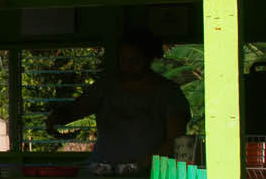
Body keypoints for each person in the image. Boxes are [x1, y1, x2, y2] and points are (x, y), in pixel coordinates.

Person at [49, 30, 191, 171]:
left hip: (148, 176)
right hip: (102, 171)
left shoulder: (169, 94)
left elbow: (176, 142)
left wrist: (137, 166)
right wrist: (57, 118)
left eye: (134, 60)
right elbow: (75, 110)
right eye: (123, 60)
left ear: (149, 58)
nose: (128, 66)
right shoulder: (105, 87)